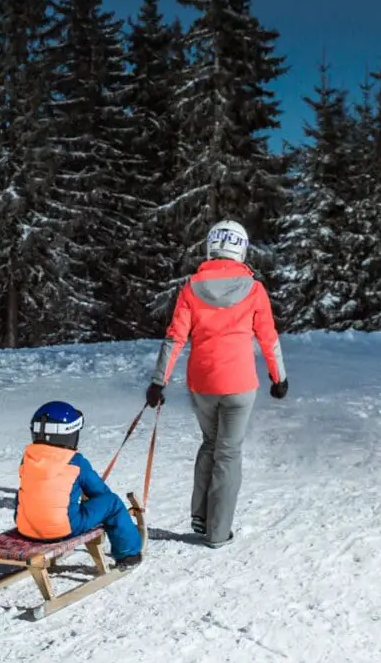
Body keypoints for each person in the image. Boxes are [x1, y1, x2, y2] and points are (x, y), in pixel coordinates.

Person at [145, 219, 287, 548]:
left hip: (202, 383)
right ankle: (218, 532)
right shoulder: (254, 289)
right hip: (239, 384)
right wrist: (279, 378)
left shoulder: (191, 288)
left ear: (211, 245)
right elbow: (268, 337)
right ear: (241, 247)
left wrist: (158, 382)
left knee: (210, 443)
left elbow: (174, 338)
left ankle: (200, 514)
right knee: (228, 453)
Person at [15, 400, 143, 566]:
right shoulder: (75, 461)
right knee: (111, 503)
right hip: (63, 529)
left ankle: (35, 522)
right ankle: (128, 554)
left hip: (26, 529)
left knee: (27, 491)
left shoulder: (27, 458)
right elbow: (100, 492)